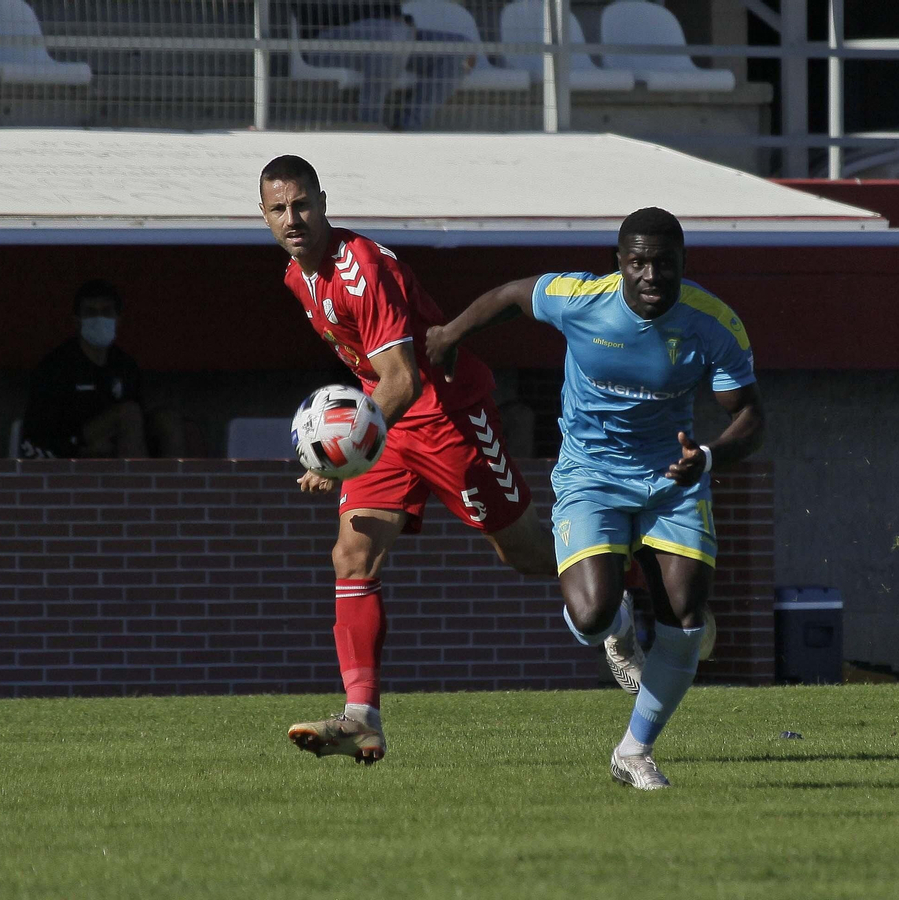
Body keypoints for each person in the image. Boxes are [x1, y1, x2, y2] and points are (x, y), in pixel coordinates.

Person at [424, 208, 764, 789]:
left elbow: (751, 417)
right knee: (590, 614)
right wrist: (450, 334)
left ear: (684, 263)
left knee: (684, 619)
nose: (652, 275)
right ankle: (617, 627)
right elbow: (511, 294)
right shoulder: (581, 298)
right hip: (590, 474)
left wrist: (706, 458)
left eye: (665, 263)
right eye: (639, 263)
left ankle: (634, 752)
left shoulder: (714, 323)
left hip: (671, 478)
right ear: (619, 264)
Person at [259, 155, 555, 764]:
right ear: (264, 216)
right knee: (352, 552)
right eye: (279, 209)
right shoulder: (297, 276)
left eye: (303, 205)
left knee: (522, 552)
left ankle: (628, 590)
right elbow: (376, 380)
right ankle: (361, 718)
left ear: (323, 201)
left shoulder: (359, 267)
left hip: (445, 412)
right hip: (388, 424)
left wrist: (339, 455)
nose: (294, 218)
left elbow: (401, 377)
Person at [19, 280, 186, 460]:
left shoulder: (125, 365)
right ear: (77, 321)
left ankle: (173, 486)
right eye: (91, 313)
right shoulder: (55, 367)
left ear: (118, 319)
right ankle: (133, 485)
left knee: (168, 420)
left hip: (119, 447)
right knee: (127, 414)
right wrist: (80, 450)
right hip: (73, 448)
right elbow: (35, 438)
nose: (99, 319)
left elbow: (138, 427)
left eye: (106, 312)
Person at [289, 2, 470, 130]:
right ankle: (369, 122)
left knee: (461, 49)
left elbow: (391, 11)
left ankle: (406, 127)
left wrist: (404, 22)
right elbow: (311, 12)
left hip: (391, 37)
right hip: (329, 40)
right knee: (392, 33)